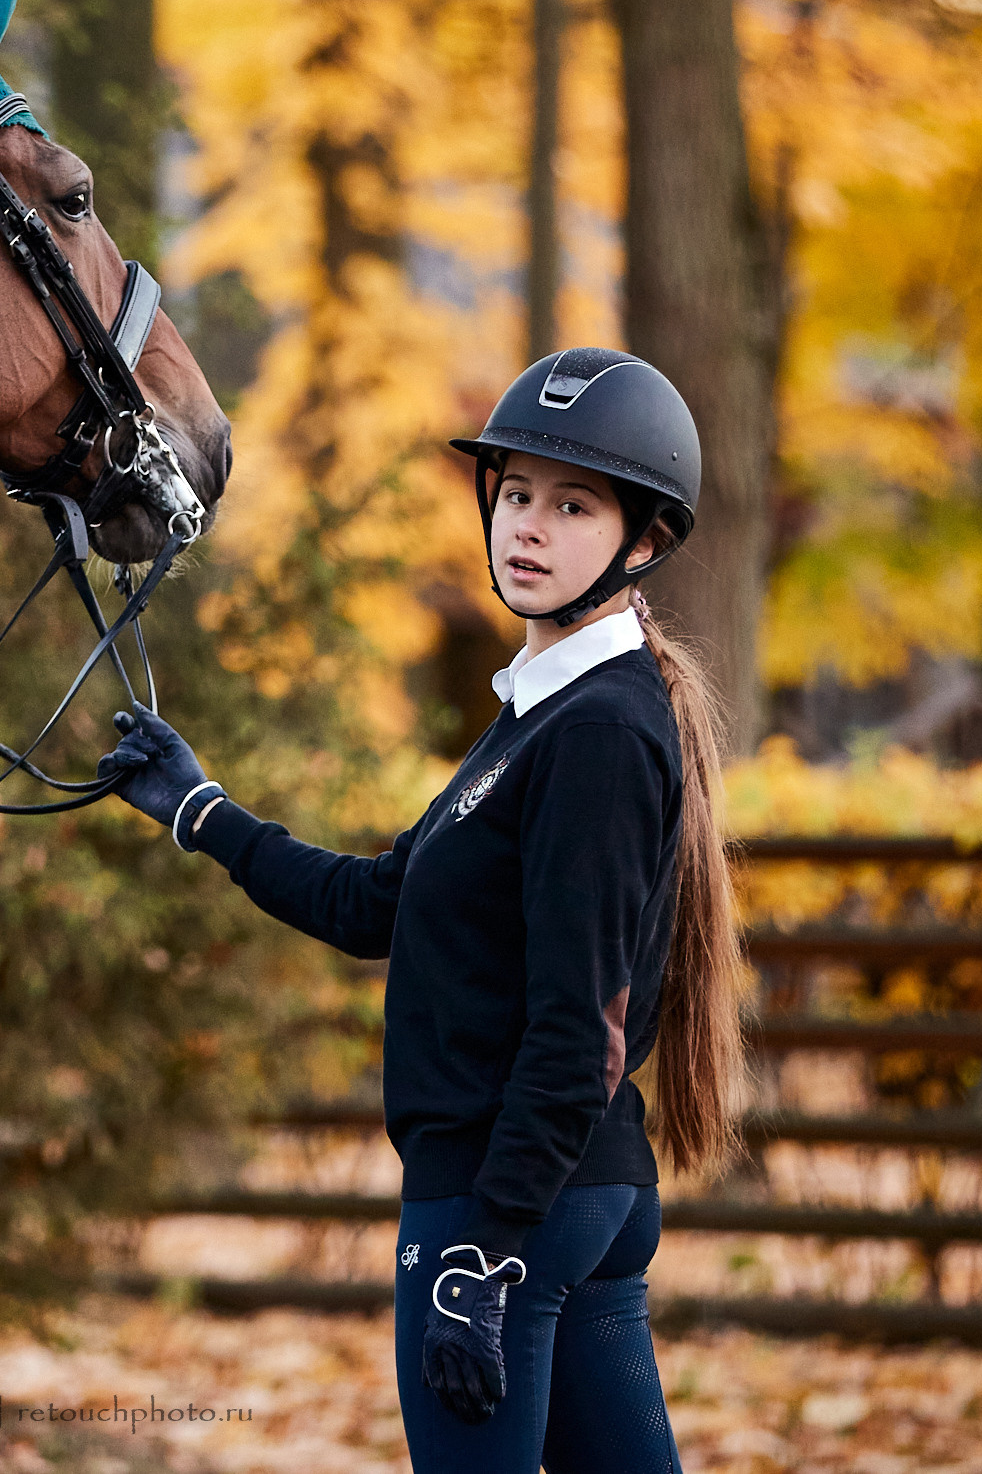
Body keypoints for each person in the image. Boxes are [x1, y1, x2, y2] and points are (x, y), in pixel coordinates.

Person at [100, 348, 745, 1474]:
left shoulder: (595, 729)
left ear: (642, 542)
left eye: (573, 506)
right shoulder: (544, 711)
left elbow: (575, 1028)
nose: (527, 529)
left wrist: (485, 1255)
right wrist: (199, 810)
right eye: (517, 496)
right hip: (567, 1199)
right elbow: (379, 903)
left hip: (503, 1207)